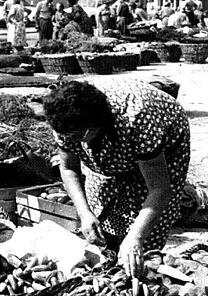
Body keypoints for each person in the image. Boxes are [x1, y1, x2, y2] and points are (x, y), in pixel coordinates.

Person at [43, 79, 189, 278]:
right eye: (69, 136)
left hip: (163, 146)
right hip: (117, 144)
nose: (72, 140)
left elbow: (159, 188)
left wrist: (136, 237)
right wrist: (85, 213)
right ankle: (113, 258)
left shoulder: (138, 118)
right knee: (102, 215)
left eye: (78, 136)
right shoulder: (66, 123)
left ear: (95, 123)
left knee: (144, 240)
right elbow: (69, 168)